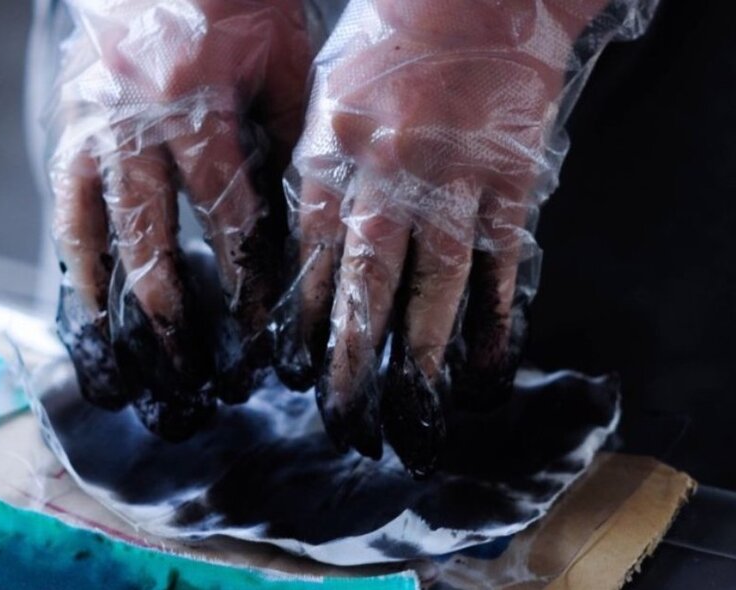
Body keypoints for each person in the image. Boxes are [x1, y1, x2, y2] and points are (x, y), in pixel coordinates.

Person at [35, 0, 658, 477]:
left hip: (559, 103)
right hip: (140, 56)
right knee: (133, 330)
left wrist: (490, 14)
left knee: (561, 477)